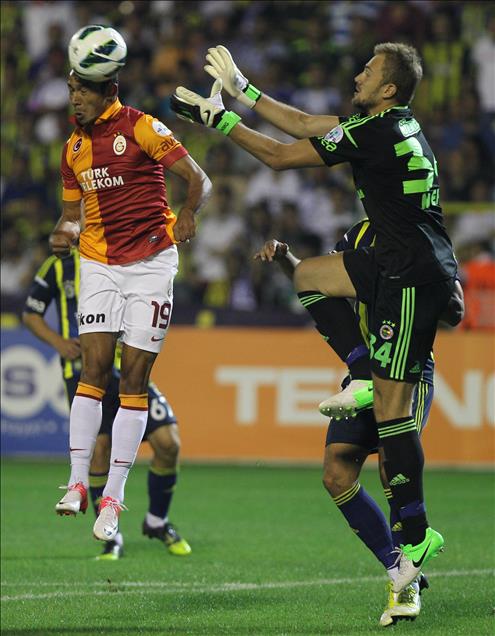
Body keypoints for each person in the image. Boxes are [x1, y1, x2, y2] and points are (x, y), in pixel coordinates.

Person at [170, 42, 458, 592]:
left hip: (411, 274)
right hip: (396, 263)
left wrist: (221, 121)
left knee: (392, 411)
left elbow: (281, 156)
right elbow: (303, 123)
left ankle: (417, 534)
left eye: (369, 71)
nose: (358, 75)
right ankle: (361, 369)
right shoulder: (391, 126)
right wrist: (243, 89)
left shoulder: (375, 134)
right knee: (308, 276)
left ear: (389, 88)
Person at [254, 224, 464, 626]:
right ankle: (397, 567)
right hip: (366, 374)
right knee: (336, 475)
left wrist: (404, 284)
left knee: (391, 466)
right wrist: (286, 260)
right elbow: (321, 280)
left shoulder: (423, 238)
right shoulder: (358, 235)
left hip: (406, 371)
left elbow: (455, 311)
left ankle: (404, 588)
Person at [51, 26, 211, 544]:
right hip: (98, 263)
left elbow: (199, 179)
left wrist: (188, 214)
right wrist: (63, 230)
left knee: (134, 380)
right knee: (93, 370)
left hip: (151, 264)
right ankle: (77, 482)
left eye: (82, 90)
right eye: (71, 89)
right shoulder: (72, 149)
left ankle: (113, 500)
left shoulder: (142, 127)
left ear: (108, 90)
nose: (74, 98)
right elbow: (71, 214)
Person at [22, 248, 191, 560]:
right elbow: (31, 313)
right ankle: (112, 536)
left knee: (169, 442)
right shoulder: (60, 265)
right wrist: (60, 343)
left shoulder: (131, 251)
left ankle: (157, 521)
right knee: (100, 448)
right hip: (83, 368)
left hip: (124, 367)